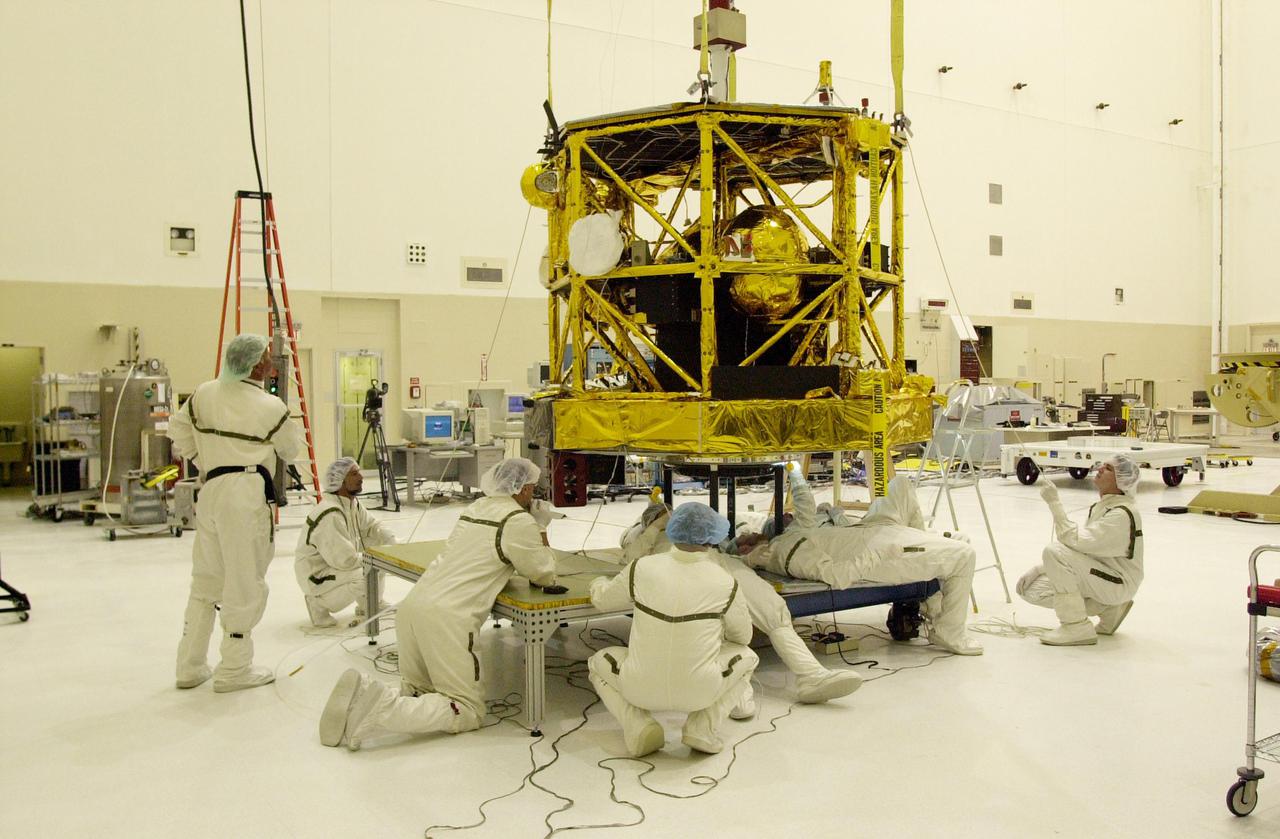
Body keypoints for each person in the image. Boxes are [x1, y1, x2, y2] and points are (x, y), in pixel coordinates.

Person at [319, 458, 557, 750]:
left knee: (420, 690)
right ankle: (381, 710)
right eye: (532, 488)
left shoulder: (475, 509)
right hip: (449, 619)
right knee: (466, 710)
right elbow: (543, 573)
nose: (534, 495)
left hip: (413, 609)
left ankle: (364, 698)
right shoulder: (518, 521)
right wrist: (540, 526)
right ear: (521, 489)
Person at [619, 493, 861, 710]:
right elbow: (632, 558)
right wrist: (653, 527)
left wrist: (748, 560)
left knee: (773, 611)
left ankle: (811, 675)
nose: (669, 515)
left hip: (721, 564)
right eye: (664, 514)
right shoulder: (639, 533)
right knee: (717, 626)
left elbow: (719, 550)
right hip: (685, 570)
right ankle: (737, 696)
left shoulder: (692, 528)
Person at [168, 334, 306, 692]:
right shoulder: (269, 406)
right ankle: (234, 668)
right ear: (255, 365)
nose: (273, 364)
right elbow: (290, 450)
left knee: (206, 581)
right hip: (245, 494)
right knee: (244, 582)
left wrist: (205, 460)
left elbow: (178, 432)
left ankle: (190, 665)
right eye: (267, 358)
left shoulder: (203, 394)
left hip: (211, 489)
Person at [741, 466, 983, 656]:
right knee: (964, 553)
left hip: (872, 527)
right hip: (881, 551)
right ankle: (949, 632)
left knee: (900, 485)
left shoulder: (795, 532)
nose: (745, 534)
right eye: (744, 537)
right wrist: (881, 555)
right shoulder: (782, 551)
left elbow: (804, 499)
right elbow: (837, 576)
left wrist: (792, 466)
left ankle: (926, 556)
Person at [588, 503, 759, 757]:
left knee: (597, 662)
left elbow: (603, 601)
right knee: (748, 656)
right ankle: (702, 727)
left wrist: (597, 584)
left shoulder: (642, 567)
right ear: (712, 536)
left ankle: (638, 725)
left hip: (638, 687)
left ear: (672, 528)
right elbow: (743, 637)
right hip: (701, 691)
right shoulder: (725, 581)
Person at [1016, 454, 1144, 646]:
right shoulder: (1103, 507)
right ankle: (1109, 609)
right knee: (1030, 589)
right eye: (1103, 464)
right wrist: (1039, 570)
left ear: (1122, 481)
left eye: (1108, 468)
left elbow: (1073, 540)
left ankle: (1075, 626)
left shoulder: (1121, 514)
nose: (1100, 468)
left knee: (1054, 552)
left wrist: (1054, 503)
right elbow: (1083, 554)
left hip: (1118, 582)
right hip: (1103, 577)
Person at [294, 457, 397, 627]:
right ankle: (317, 604)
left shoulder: (351, 504)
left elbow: (372, 526)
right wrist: (378, 558)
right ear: (340, 481)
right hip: (317, 575)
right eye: (354, 474)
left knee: (378, 552)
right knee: (367, 573)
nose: (361, 477)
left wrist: (391, 541)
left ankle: (370, 604)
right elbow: (345, 560)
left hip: (334, 565)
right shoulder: (330, 514)